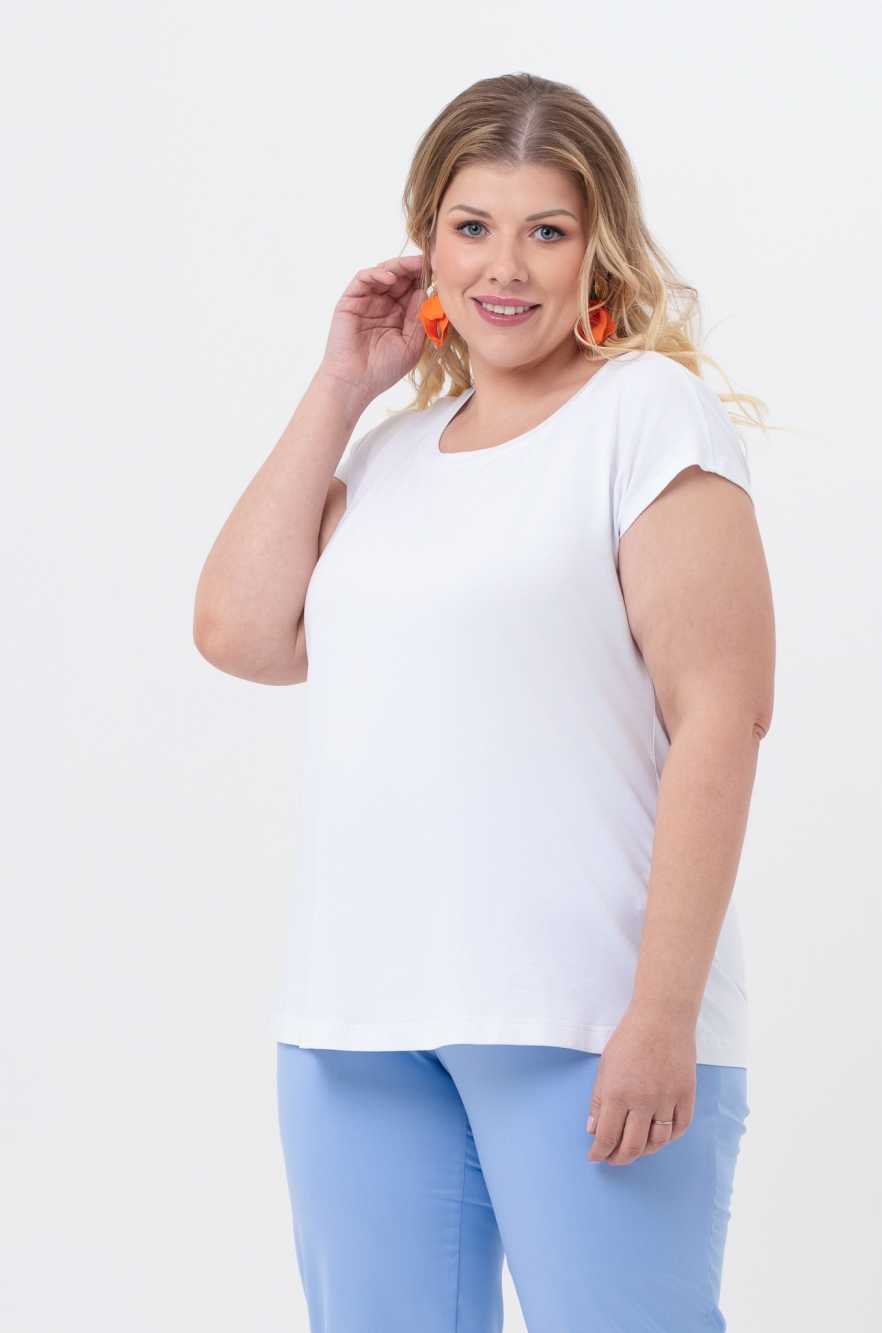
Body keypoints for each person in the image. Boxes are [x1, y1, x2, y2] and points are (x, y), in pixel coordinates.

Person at [194, 72, 775, 1333]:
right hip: (357, 1020)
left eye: (545, 230)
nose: (504, 267)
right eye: (471, 227)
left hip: (581, 1015)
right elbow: (239, 632)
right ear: (426, 243)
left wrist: (662, 1012)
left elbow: (720, 718)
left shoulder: (644, 414)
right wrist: (341, 385)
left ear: (596, 247)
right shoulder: (386, 455)